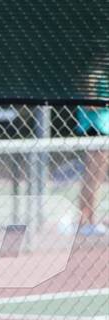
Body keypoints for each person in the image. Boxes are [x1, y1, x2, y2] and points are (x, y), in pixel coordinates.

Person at [76, 66, 109, 237]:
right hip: (94, 129)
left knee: (96, 177)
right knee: (92, 178)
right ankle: (88, 221)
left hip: (102, 128)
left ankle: (86, 220)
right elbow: (90, 104)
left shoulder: (102, 76)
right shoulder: (92, 76)